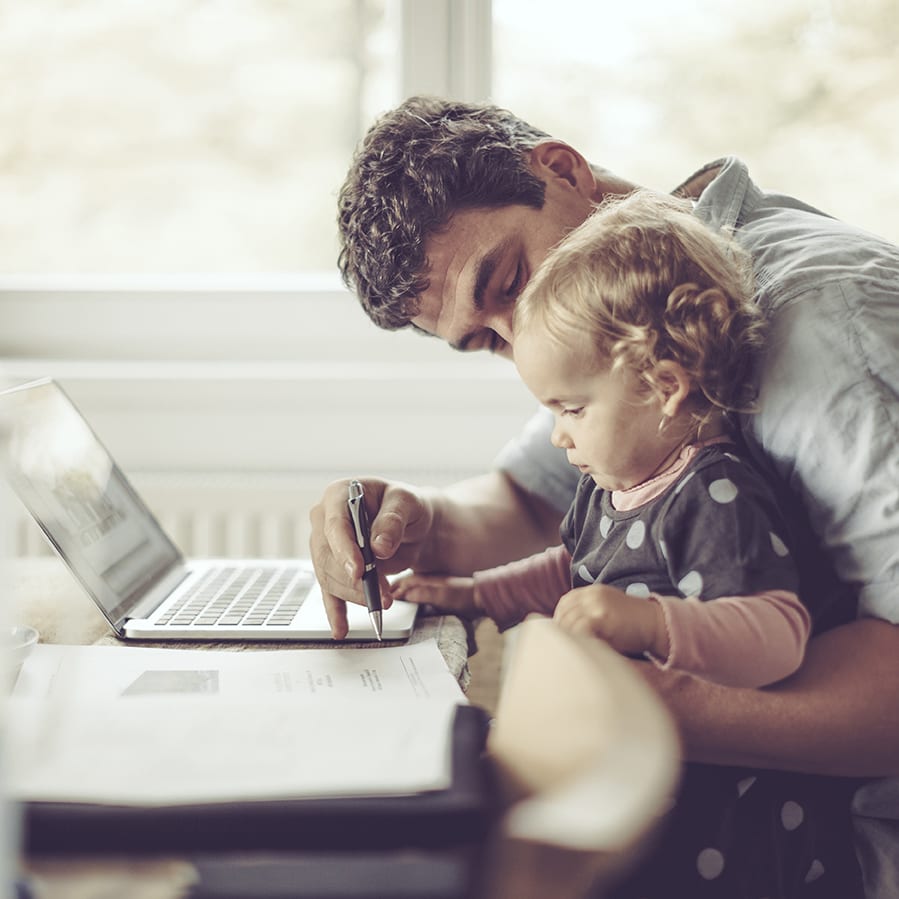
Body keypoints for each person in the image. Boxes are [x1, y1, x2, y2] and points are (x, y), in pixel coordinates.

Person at [310, 96, 899, 897]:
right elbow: (534, 500)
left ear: (562, 170)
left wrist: (637, 707)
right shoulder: (616, 302)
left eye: (509, 282)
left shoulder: (819, 321)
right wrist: (411, 521)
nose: (522, 341)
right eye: (486, 339)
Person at [393, 188, 824, 692]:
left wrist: (648, 623)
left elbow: (778, 636)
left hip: (701, 763)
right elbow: (572, 570)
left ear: (664, 387)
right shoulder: (610, 489)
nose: (558, 436)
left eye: (573, 410)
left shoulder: (712, 494)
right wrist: (476, 595)